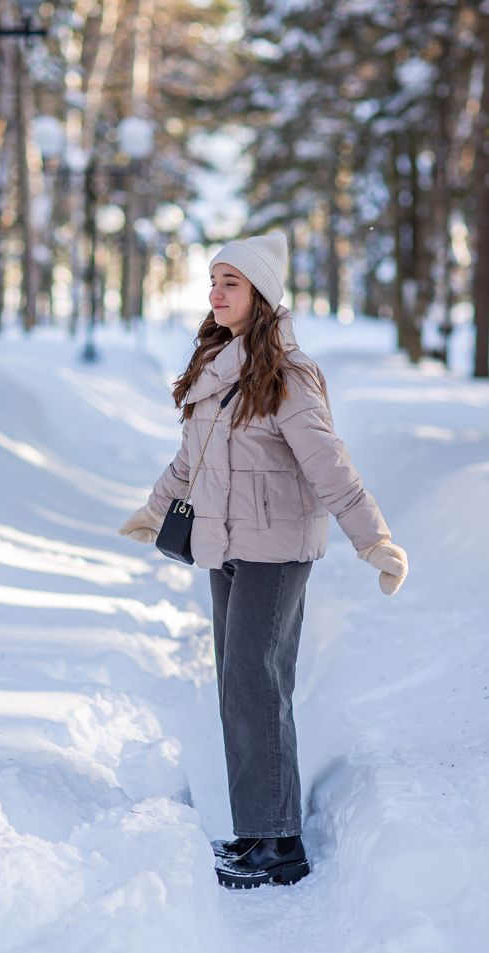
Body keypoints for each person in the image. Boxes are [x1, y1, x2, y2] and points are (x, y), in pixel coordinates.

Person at [118, 232, 408, 890]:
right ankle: (255, 829)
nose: (216, 292)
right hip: (225, 546)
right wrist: (154, 510)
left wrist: (375, 540)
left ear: (262, 296)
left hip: (276, 551)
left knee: (258, 685)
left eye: (232, 282)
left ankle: (279, 844)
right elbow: (190, 462)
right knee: (237, 688)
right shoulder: (218, 364)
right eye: (214, 280)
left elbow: (332, 469)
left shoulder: (288, 377)